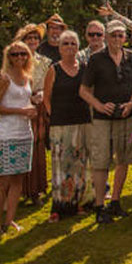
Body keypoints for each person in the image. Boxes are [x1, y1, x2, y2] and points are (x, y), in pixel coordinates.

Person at [79, 20, 132, 224]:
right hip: (103, 118)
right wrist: (98, 105)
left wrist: (131, 103)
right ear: (106, 37)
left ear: (125, 38)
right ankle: (99, 205)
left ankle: (115, 200)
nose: (117, 39)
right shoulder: (96, 60)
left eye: (120, 35)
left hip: (125, 115)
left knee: (123, 159)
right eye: (113, 35)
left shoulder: (131, 58)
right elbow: (84, 91)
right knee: (101, 161)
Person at [0, 40, 37, 237]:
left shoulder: (28, 78)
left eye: (23, 54)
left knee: (18, 180)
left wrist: (34, 104)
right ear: (8, 57)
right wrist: (19, 111)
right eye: (15, 55)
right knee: (4, 182)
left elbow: (26, 100)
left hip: (25, 133)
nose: (19, 58)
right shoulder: (5, 79)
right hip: (7, 135)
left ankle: (10, 220)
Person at [43, 30, 90, 221]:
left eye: (73, 44)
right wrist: (53, 116)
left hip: (82, 122)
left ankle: (76, 203)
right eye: (66, 44)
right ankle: (59, 205)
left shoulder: (85, 68)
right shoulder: (54, 69)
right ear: (60, 48)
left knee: (79, 164)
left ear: (78, 47)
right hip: (60, 124)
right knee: (61, 166)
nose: (70, 47)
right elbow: (46, 98)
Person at [15, 24, 51, 205]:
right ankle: (20, 189)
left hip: (39, 107)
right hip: (20, 107)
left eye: (35, 38)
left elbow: (48, 84)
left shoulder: (44, 61)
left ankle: (36, 190)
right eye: (29, 38)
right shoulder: (16, 60)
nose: (32, 41)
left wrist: (42, 95)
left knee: (38, 148)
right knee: (22, 147)